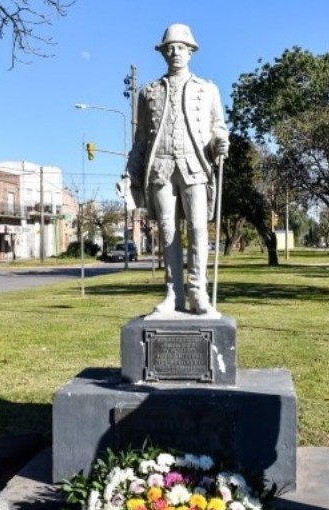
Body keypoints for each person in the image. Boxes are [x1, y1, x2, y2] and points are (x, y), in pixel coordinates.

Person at [127, 23, 229, 315]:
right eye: (169, 48)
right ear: (163, 53)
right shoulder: (148, 92)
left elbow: (217, 128)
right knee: (168, 230)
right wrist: (130, 172)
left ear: (191, 51)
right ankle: (174, 295)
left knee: (198, 229)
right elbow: (140, 140)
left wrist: (221, 143)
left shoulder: (207, 89)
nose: (175, 53)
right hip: (160, 168)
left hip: (195, 166)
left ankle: (199, 292)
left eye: (180, 48)